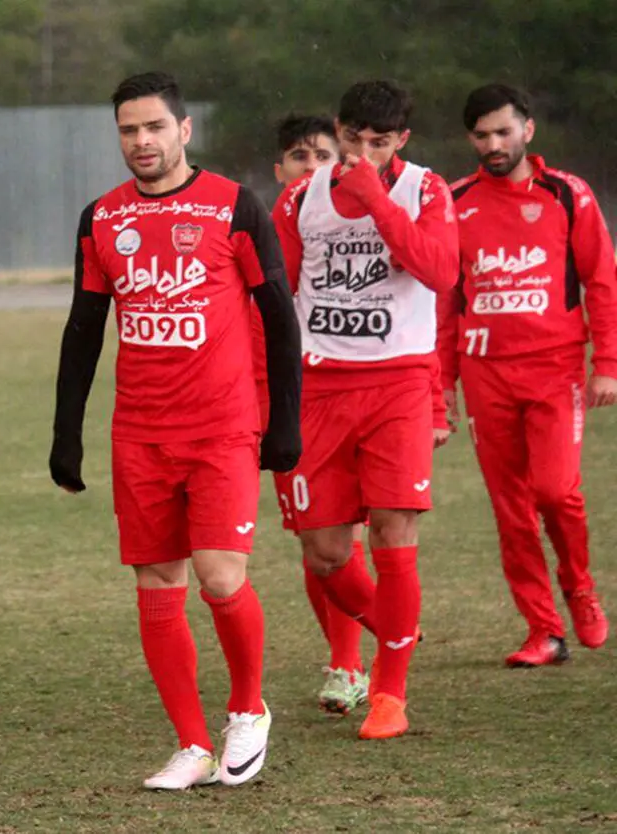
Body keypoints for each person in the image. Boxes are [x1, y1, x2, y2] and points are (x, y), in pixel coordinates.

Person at [51, 71, 302, 790]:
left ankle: (249, 708)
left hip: (223, 427)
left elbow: (279, 317)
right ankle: (191, 744)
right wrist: (67, 435)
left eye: (155, 127)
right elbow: (82, 330)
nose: (142, 141)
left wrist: (282, 423)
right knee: (157, 583)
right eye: (129, 130)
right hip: (139, 433)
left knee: (221, 579)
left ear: (184, 130)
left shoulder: (233, 206)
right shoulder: (101, 218)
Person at [271, 80, 458, 740]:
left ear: (401, 140)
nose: (363, 154)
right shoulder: (302, 195)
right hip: (318, 389)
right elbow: (274, 293)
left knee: (392, 536)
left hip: (397, 385)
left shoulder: (425, 190)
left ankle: (390, 692)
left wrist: (376, 200)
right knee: (323, 552)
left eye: (380, 144)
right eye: (354, 140)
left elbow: (439, 272)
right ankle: (397, 631)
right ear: (339, 130)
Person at [438, 83, 614, 666]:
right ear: (471, 139)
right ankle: (543, 629)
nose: (494, 144)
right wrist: (443, 384)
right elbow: (445, 301)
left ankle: (580, 588)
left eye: (504, 132)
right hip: (485, 373)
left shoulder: (569, 194)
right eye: (483, 135)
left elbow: (602, 281)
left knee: (556, 492)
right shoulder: (453, 200)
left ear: (528, 130)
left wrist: (607, 364)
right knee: (511, 508)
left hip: (554, 369)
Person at [263, 114, 370, 715]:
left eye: (322, 155)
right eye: (298, 156)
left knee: (350, 533)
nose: (310, 166)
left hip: (357, 393)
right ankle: (357, 646)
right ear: (279, 170)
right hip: (295, 404)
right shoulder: (261, 229)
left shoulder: (359, 223)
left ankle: (350, 663)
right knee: (315, 542)